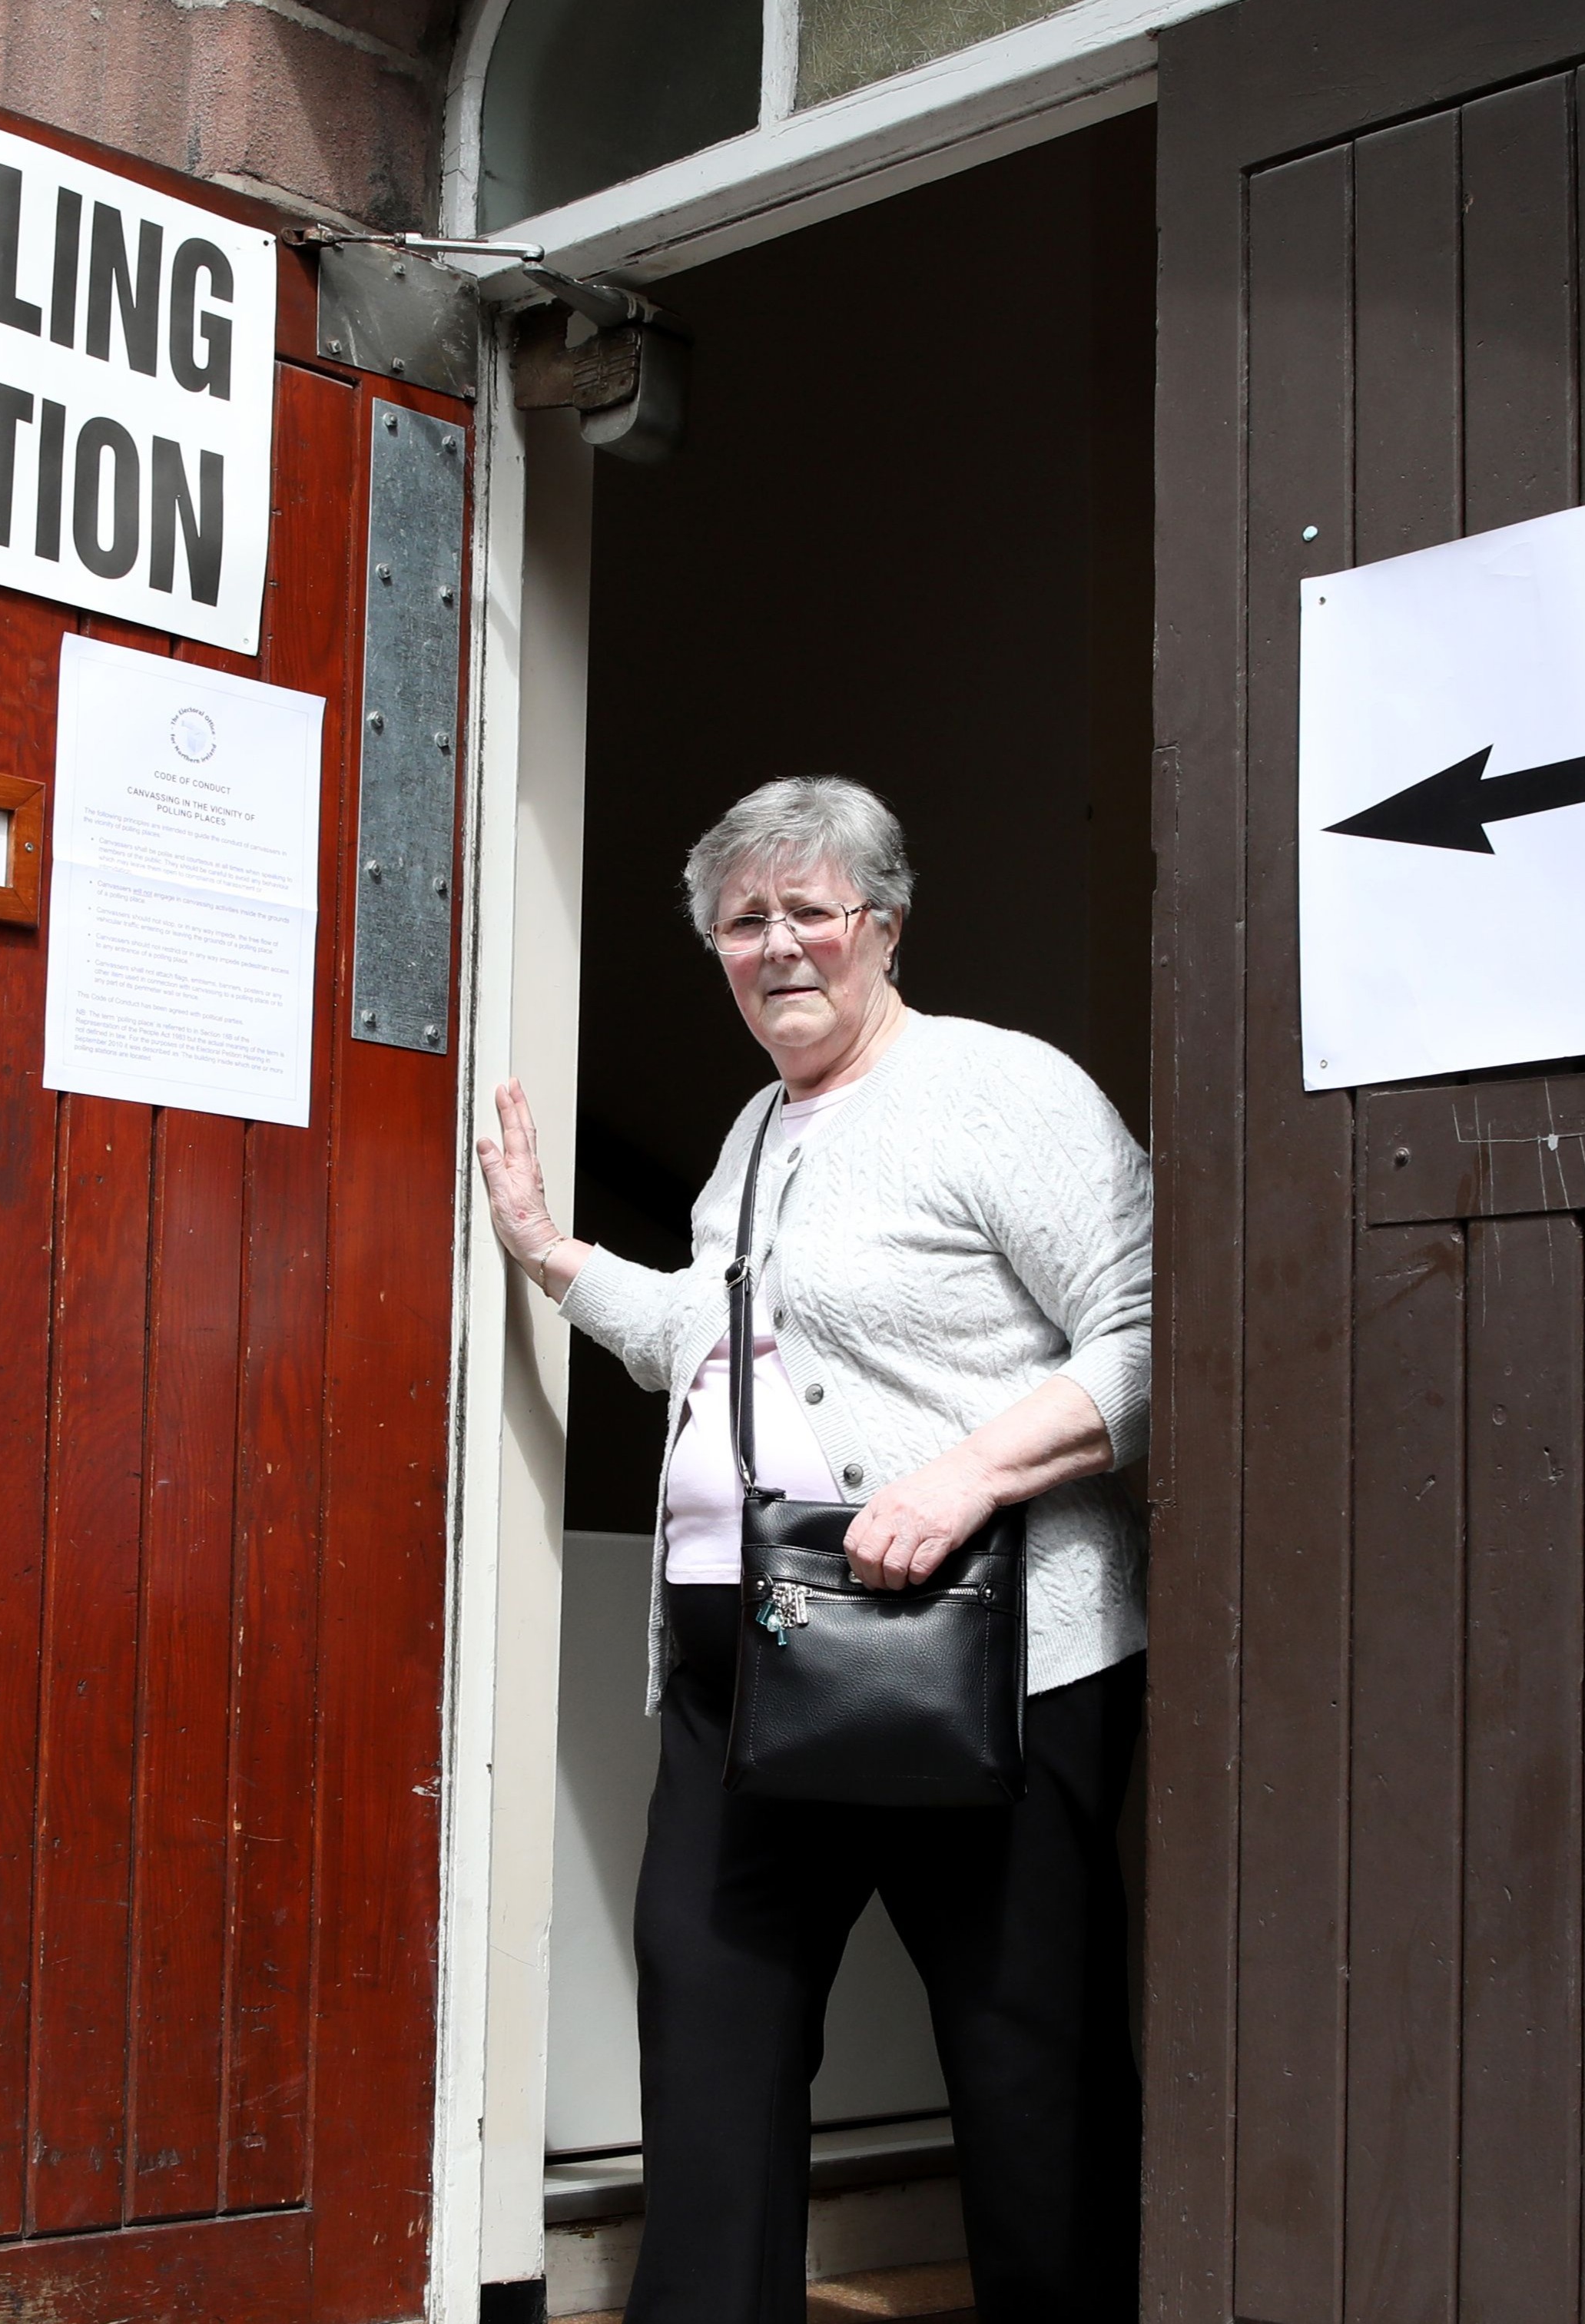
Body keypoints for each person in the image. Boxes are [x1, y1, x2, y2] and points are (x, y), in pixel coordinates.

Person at [473, 775, 1150, 2324]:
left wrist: (967, 1476)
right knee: (709, 2035)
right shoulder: (756, 1125)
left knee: (1029, 2066)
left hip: (986, 1661)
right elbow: (715, 1343)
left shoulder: (1003, 1091)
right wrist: (552, 1255)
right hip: (754, 1664)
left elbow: (1154, 1327)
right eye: (741, 922)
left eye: (808, 912)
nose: (776, 945)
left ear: (884, 926)